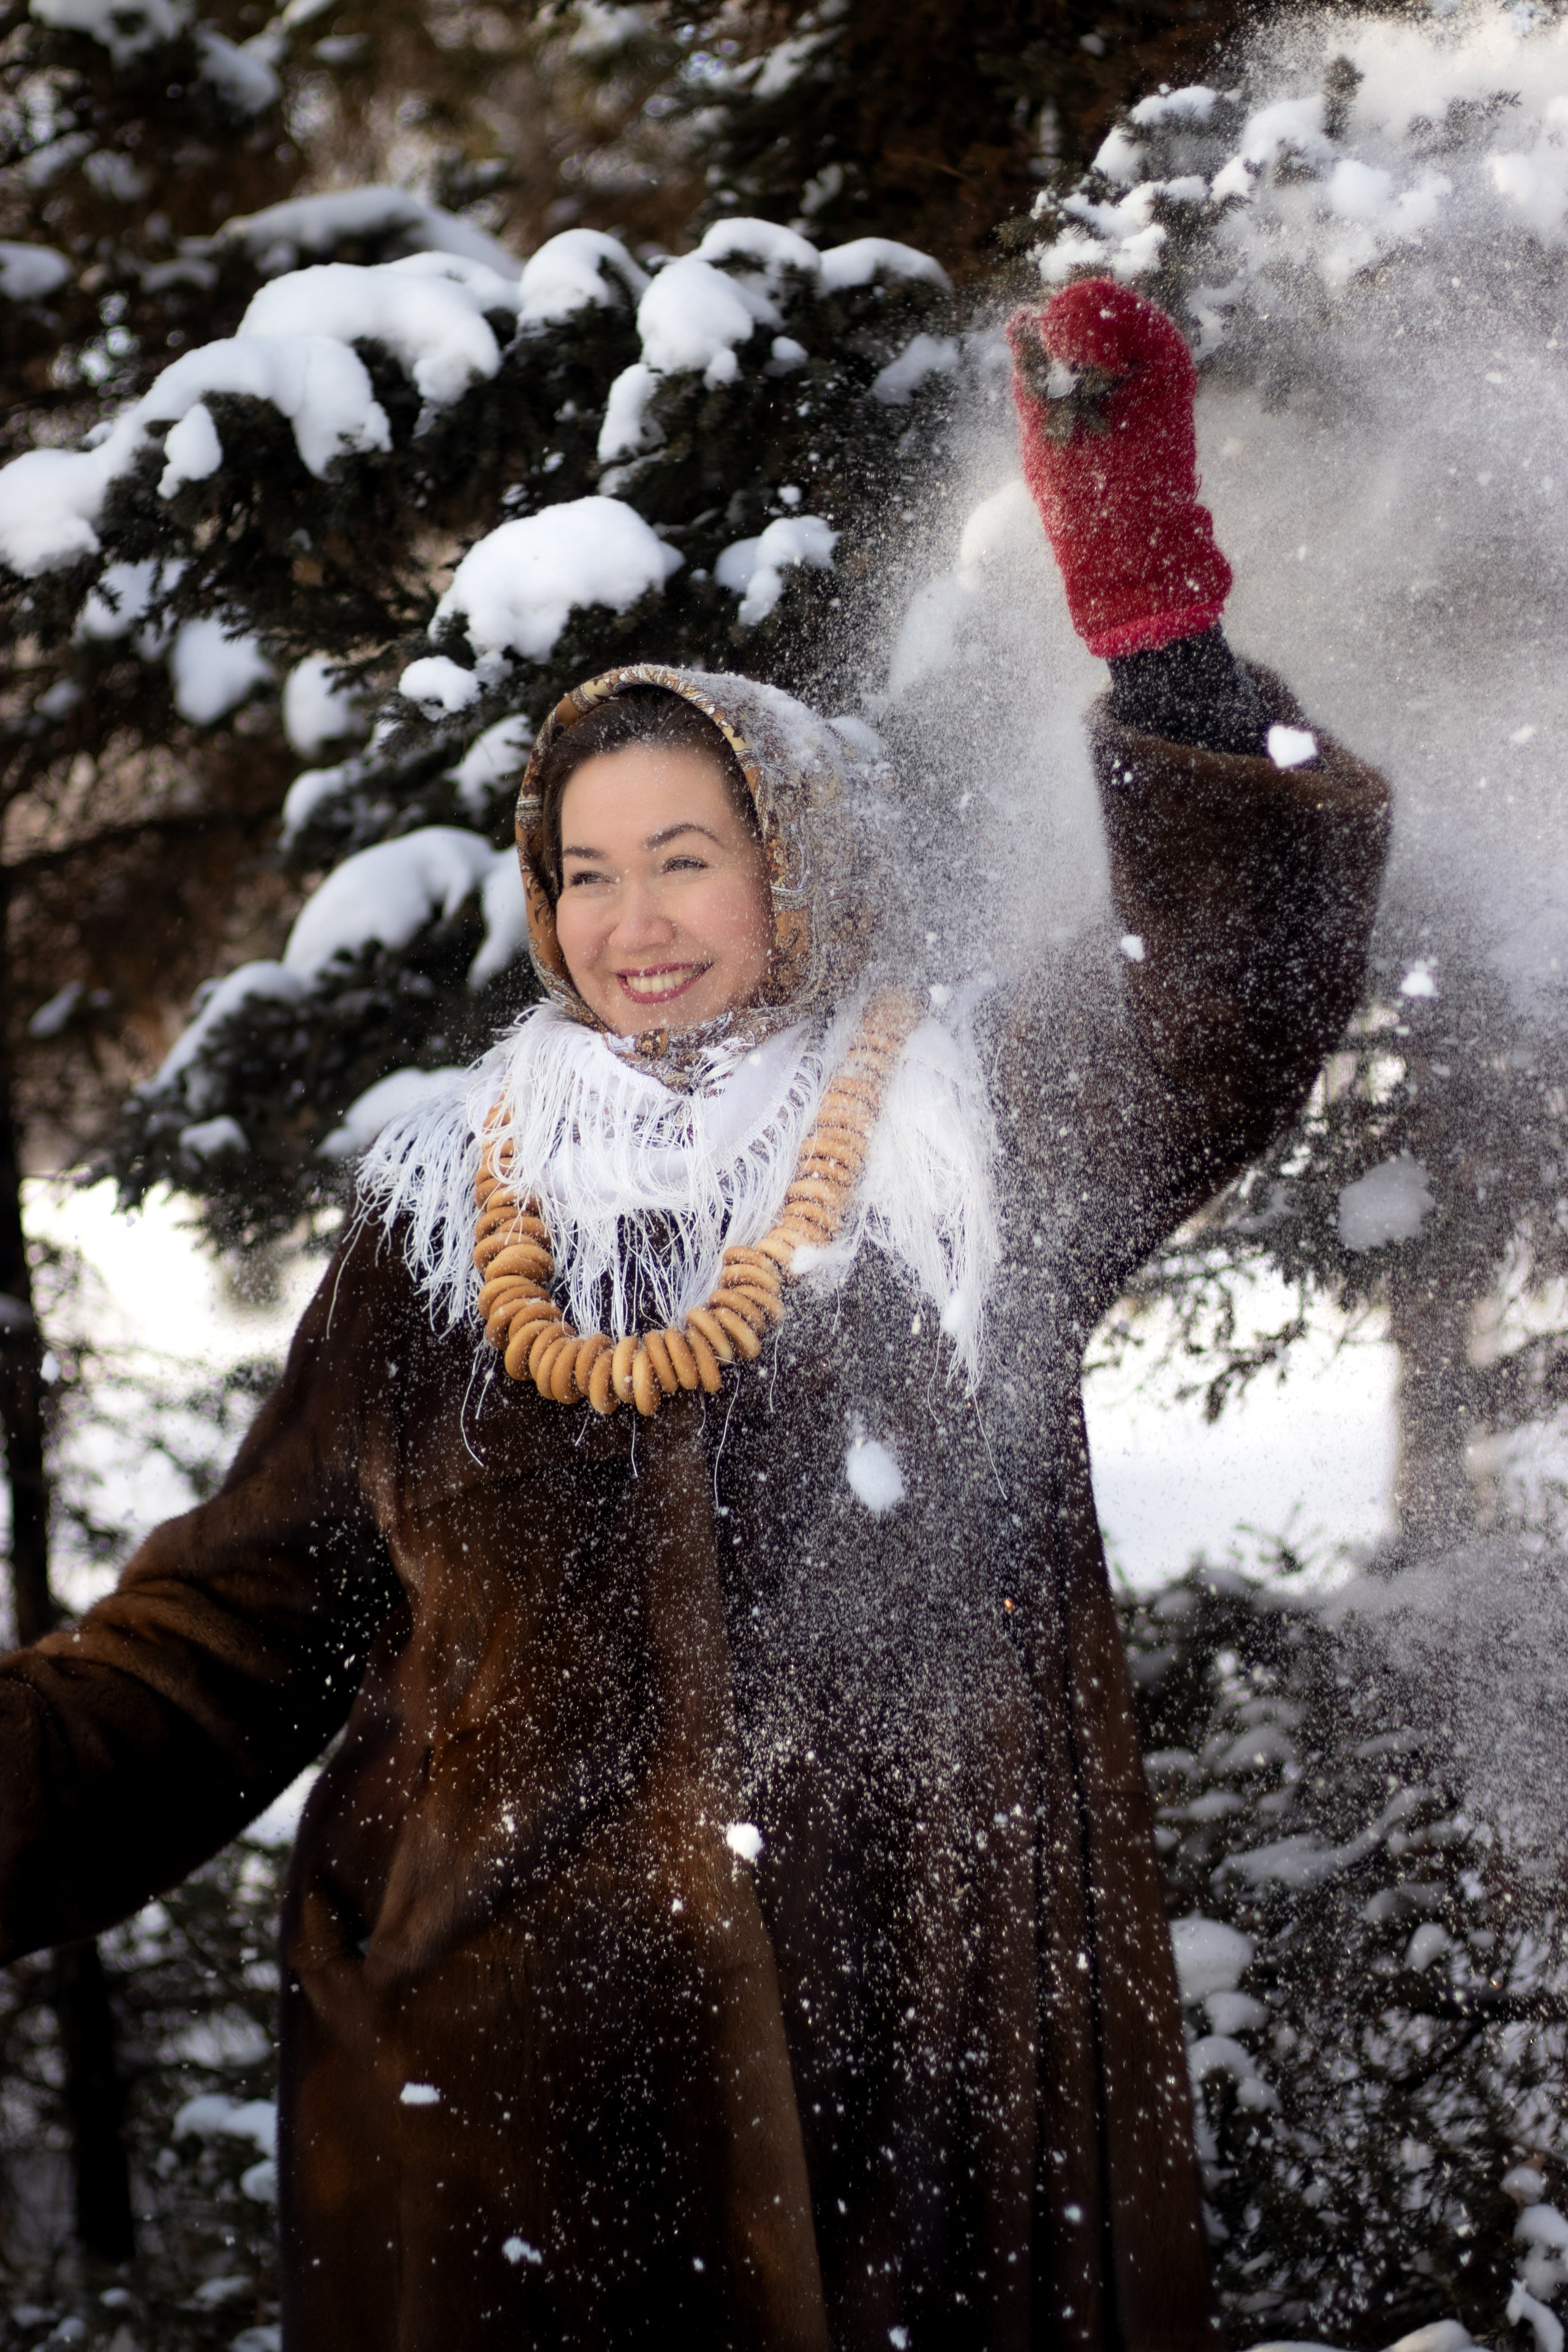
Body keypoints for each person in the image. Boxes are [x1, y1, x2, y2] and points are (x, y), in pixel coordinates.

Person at [0, 283, 1388, 2350]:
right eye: (584, 873)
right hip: (505, 2110)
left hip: (927, 2084)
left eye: (687, 861)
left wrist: (1159, 634)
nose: (631, 927)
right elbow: (241, 1627)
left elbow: (1238, 986)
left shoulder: (973, 1127)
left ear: (793, 872)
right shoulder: (455, 1219)